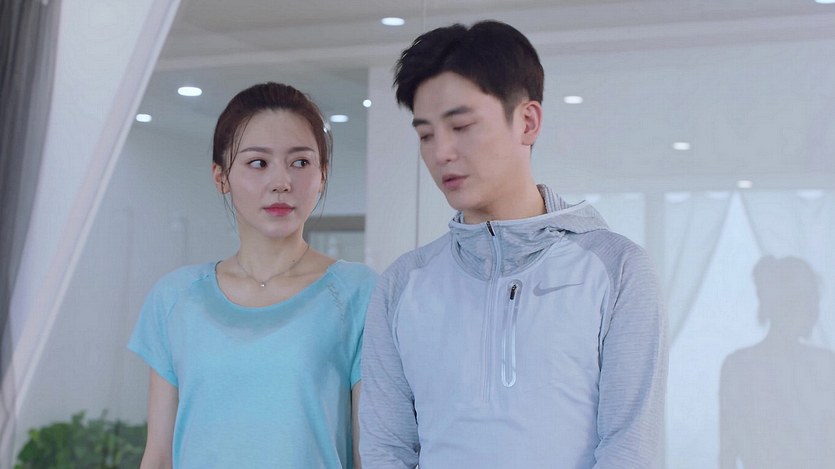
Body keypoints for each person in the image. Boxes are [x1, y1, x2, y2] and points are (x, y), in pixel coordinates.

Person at [359, 20, 667, 468]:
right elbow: (386, 449)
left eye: (461, 126)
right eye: (426, 135)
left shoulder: (617, 269)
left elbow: (630, 447)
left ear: (527, 121)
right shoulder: (401, 284)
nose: (441, 152)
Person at [129, 82, 375, 468]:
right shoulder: (175, 297)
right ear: (220, 177)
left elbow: (370, 457)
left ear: (323, 175)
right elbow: (159, 457)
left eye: (300, 162)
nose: (281, 182)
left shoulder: (359, 294)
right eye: (258, 163)